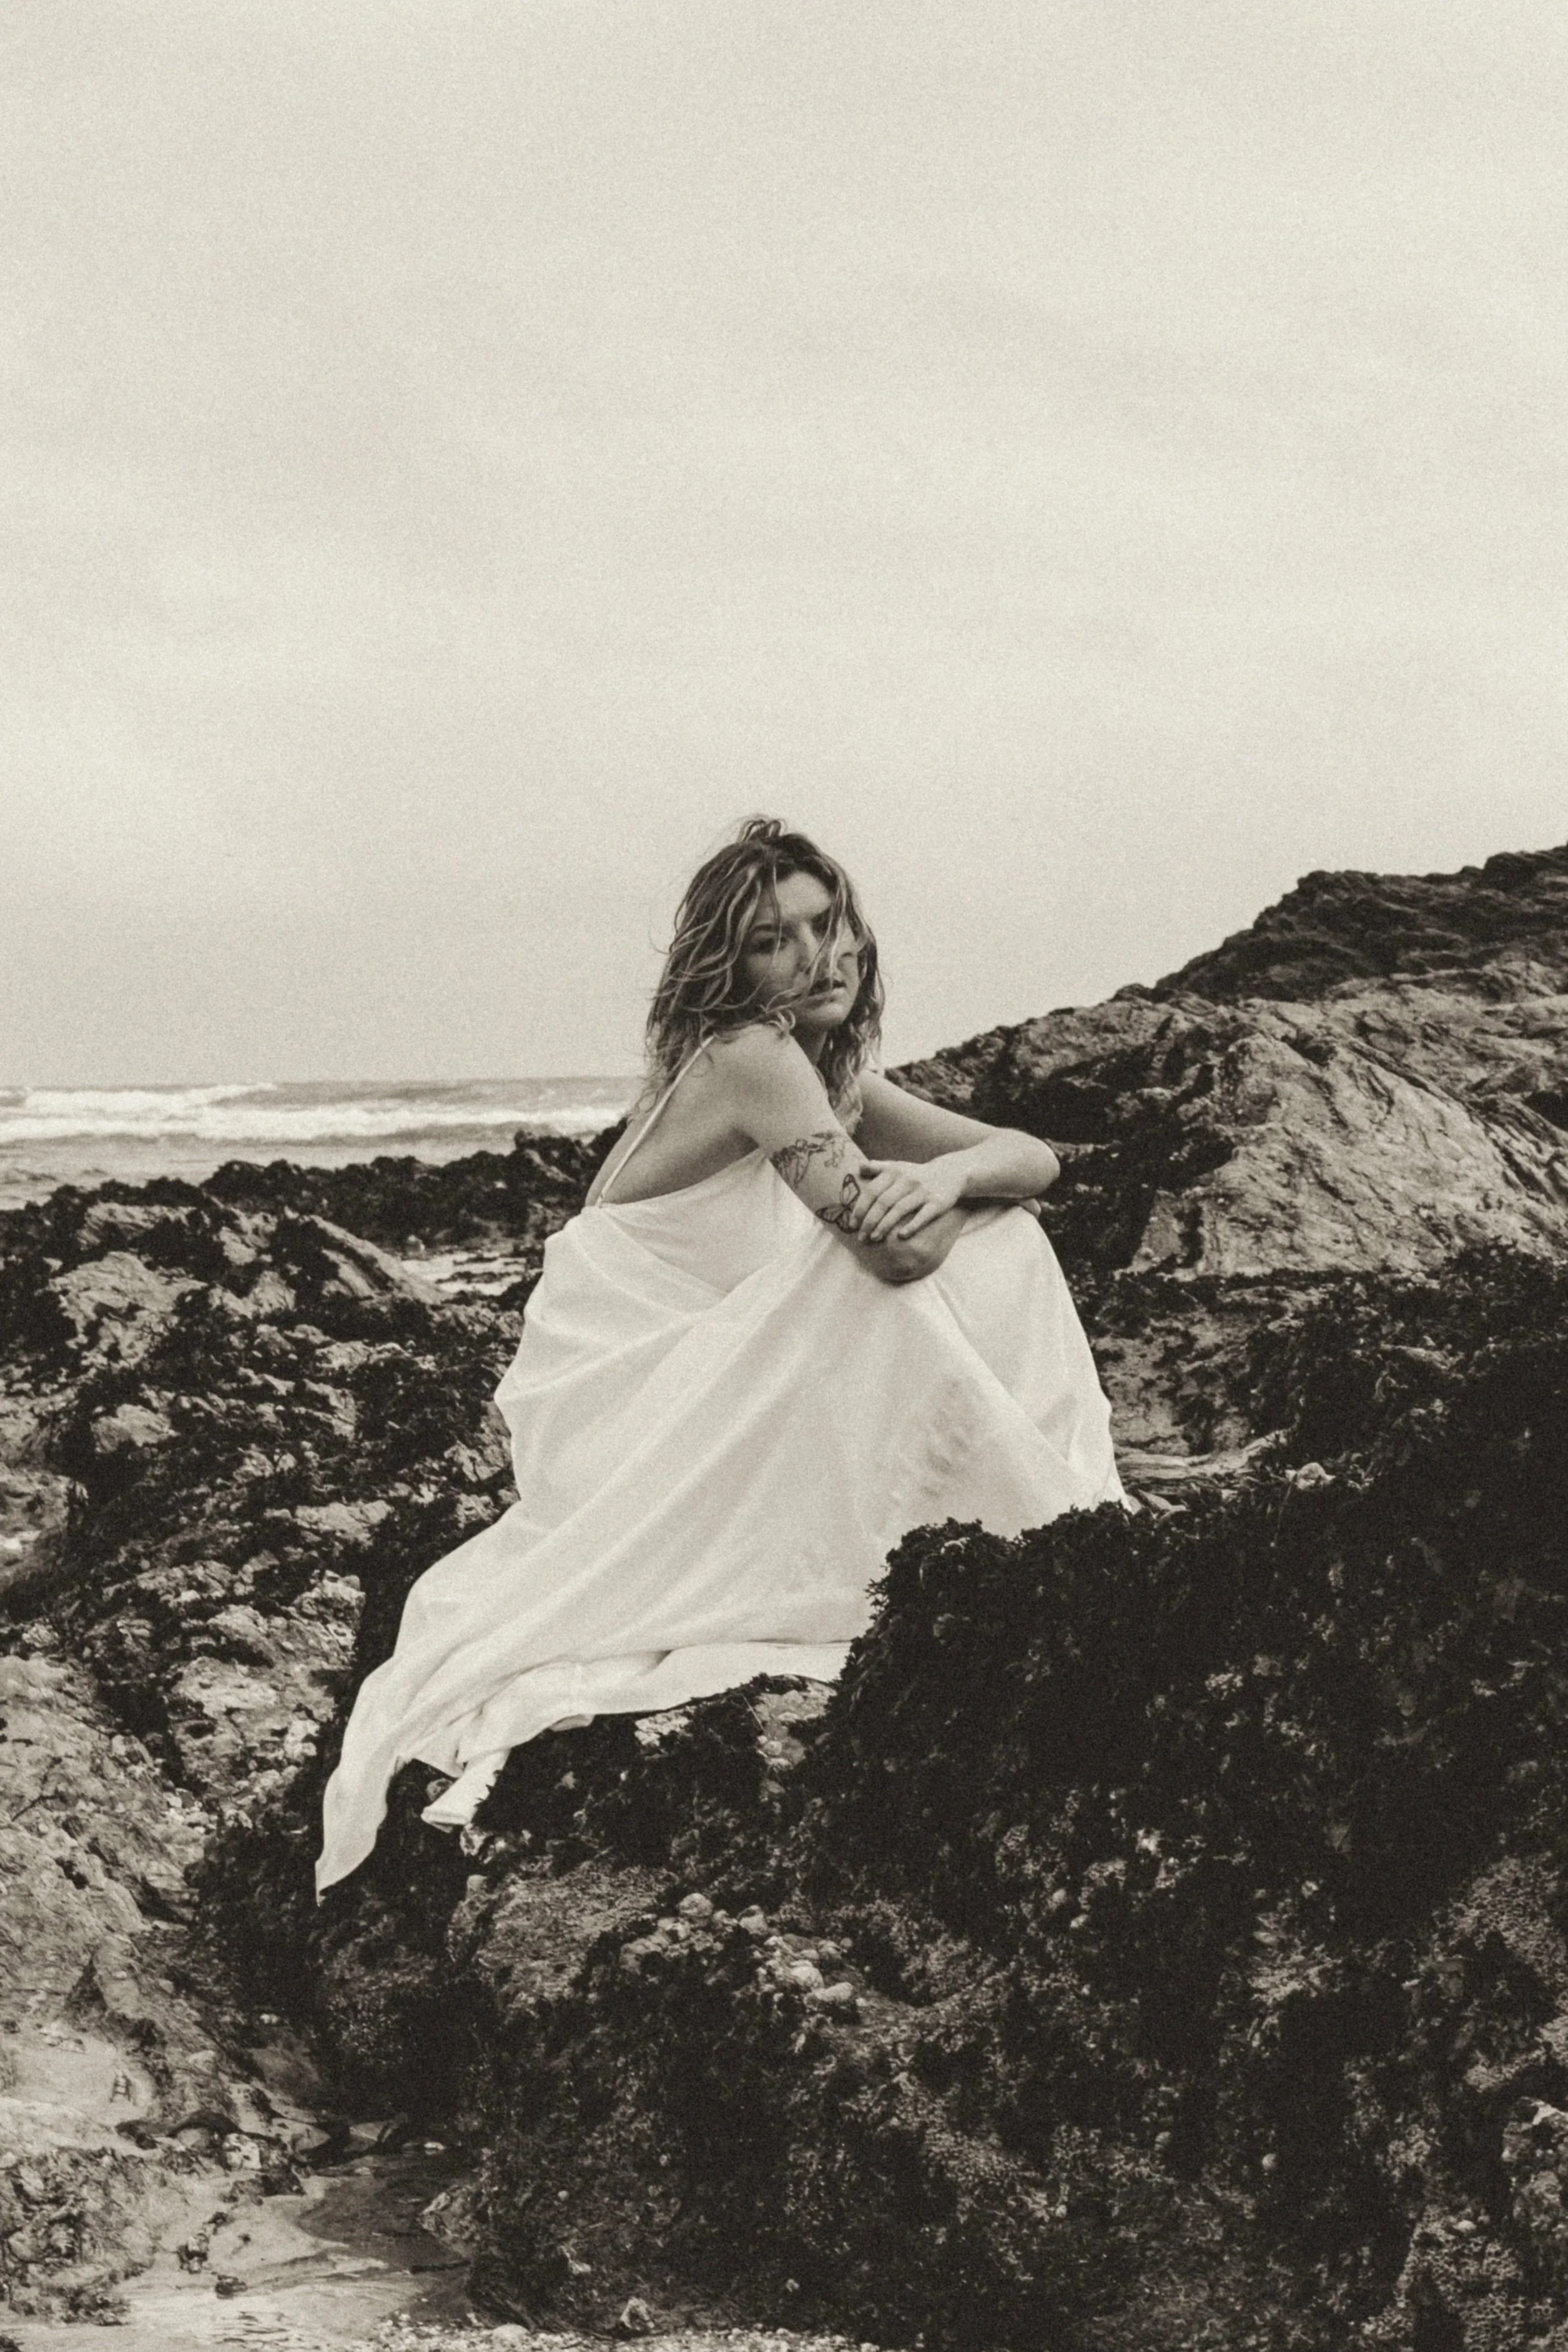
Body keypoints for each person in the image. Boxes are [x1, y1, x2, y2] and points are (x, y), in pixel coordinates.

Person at [316, 817, 1124, 1893]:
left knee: (1002, 1227)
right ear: (727, 968)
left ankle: (1020, 1509)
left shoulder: (829, 1071)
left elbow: (1035, 1160)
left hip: (694, 1369)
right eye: (770, 941)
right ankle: (1036, 1515)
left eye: (824, 924)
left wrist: (946, 1177)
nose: (813, 957)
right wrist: (945, 1192)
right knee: (894, 1268)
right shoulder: (752, 1057)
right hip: (624, 1400)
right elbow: (892, 1261)